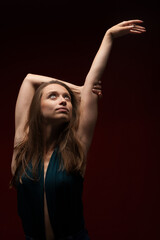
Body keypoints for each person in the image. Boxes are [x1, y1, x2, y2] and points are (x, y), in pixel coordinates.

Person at [10, 20, 146, 240]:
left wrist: (108, 36)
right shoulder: (22, 147)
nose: (63, 101)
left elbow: (92, 82)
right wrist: (77, 90)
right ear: (37, 106)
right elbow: (29, 80)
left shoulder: (76, 146)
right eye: (53, 96)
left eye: (67, 98)